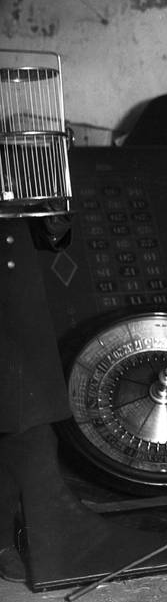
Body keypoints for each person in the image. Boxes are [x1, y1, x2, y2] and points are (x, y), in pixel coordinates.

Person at [0, 208, 73, 583]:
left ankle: (19, 539)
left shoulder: (15, 160)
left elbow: (43, 237)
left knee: (30, 431)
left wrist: (54, 221)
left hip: (17, 312)